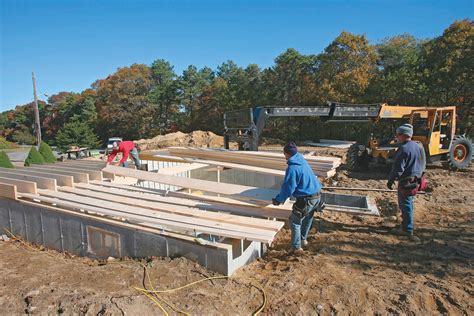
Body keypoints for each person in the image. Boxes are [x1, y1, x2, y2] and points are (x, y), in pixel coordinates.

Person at [272, 142, 322, 255]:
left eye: (284, 154)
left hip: (307, 199)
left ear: (287, 154)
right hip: (317, 196)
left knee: (295, 221)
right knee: (308, 217)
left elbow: (288, 188)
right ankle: (303, 240)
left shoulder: (292, 168)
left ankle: (296, 247)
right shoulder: (302, 161)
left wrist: (279, 200)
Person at [387, 123, 426, 241]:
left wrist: (391, 180)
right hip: (416, 179)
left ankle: (407, 230)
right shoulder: (417, 146)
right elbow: (423, 162)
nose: (397, 137)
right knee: (409, 203)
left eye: (398, 135)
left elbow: (398, 169)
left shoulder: (403, 149)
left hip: (406, 181)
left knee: (406, 204)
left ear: (403, 135)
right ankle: (405, 225)